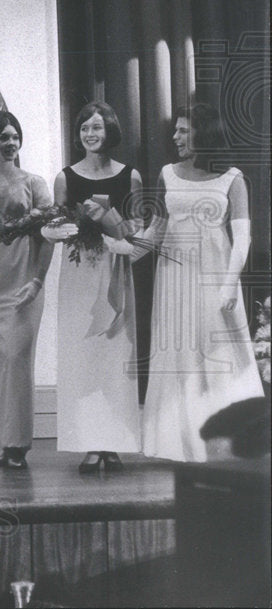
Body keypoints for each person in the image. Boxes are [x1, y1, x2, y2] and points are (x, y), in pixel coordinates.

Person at [113, 104, 264, 462]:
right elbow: (157, 231)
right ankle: (180, 444)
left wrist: (229, 285)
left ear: (204, 133)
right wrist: (121, 251)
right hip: (174, 280)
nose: (175, 137)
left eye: (183, 130)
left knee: (219, 357)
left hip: (215, 278)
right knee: (179, 357)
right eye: (176, 130)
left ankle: (230, 447)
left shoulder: (232, 178)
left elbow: (242, 238)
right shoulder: (168, 173)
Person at [44, 101, 141, 473]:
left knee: (115, 357)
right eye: (85, 128)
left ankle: (114, 442)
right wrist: (61, 229)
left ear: (109, 131)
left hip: (115, 267)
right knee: (81, 356)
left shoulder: (129, 176)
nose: (90, 134)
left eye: (97, 127)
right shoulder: (65, 177)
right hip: (80, 272)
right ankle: (87, 442)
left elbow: (134, 226)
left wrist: (118, 235)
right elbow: (56, 225)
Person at [0, 111, 54, 469]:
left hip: (24, 280)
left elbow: (50, 236)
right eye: (3, 137)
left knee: (19, 360)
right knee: (1, 364)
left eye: (14, 136)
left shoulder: (34, 183)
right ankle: (8, 444)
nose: (10, 143)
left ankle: (19, 445)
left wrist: (38, 280)